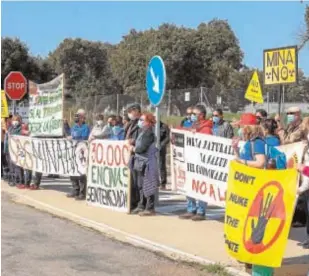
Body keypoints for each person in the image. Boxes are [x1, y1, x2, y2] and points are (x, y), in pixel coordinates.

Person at [179, 104, 212, 221]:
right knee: (190, 184)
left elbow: (205, 144)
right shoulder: (194, 125)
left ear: (202, 115)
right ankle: (191, 208)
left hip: (201, 162)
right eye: (191, 114)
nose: (192, 116)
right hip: (191, 160)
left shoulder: (206, 128)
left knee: (201, 185)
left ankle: (201, 211)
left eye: (194, 114)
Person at [129, 112, 158, 216]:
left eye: (142, 120)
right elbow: (140, 143)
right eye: (140, 119)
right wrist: (133, 141)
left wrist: (133, 148)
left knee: (148, 185)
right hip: (140, 162)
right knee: (140, 185)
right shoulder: (142, 132)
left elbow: (142, 148)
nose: (140, 122)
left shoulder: (149, 133)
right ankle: (142, 205)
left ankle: (150, 208)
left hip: (147, 163)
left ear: (148, 122)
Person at [67, 109, 90, 200]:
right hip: (74, 151)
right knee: (73, 170)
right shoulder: (74, 126)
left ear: (82, 117)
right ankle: (75, 190)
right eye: (76, 115)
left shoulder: (86, 127)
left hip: (82, 152)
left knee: (82, 172)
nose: (76, 117)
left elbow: (84, 136)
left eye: (78, 116)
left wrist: (74, 136)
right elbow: (72, 133)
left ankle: (82, 192)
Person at [124, 103, 142, 210]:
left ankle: (139, 203)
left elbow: (142, 138)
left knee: (137, 182)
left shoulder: (141, 123)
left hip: (137, 155)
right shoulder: (131, 124)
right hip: (130, 155)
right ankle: (132, 202)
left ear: (137, 111)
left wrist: (133, 141)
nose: (129, 113)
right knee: (132, 181)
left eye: (131, 111)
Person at [159, 121, 170, 189]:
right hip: (151, 148)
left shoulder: (164, 126)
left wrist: (162, 144)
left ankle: (163, 183)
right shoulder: (151, 126)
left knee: (161, 165)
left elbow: (168, 137)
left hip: (161, 148)